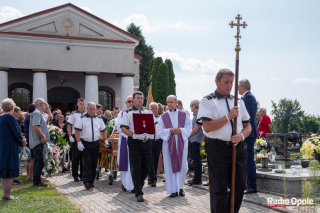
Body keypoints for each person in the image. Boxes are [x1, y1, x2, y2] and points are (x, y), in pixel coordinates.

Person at [197, 69, 251, 213]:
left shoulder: (239, 101)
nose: (229, 86)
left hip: (238, 147)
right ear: (217, 81)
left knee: (240, 186)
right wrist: (228, 116)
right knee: (219, 189)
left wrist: (242, 136)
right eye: (226, 82)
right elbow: (207, 127)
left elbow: (248, 126)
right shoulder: (207, 101)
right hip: (217, 148)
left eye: (231, 83)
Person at [121, 91, 155, 202]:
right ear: (134, 100)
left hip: (147, 143)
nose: (140, 99)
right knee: (136, 167)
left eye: (142, 97)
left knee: (147, 167)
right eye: (138, 98)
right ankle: (139, 192)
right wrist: (134, 135)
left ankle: (138, 184)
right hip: (134, 143)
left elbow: (153, 126)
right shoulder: (128, 112)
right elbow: (123, 128)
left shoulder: (148, 112)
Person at [157, 95, 192, 198]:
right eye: (167, 102)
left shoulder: (184, 115)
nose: (169, 104)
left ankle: (180, 187)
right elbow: (159, 130)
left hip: (181, 143)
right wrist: (170, 131)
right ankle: (173, 190)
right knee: (169, 166)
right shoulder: (163, 117)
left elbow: (189, 128)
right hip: (169, 145)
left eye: (171, 102)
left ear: (176, 102)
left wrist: (181, 130)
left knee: (183, 166)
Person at [74, 102, 109, 189]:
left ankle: (91, 181)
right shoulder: (82, 118)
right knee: (87, 163)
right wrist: (78, 142)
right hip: (86, 143)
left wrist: (106, 140)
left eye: (94, 109)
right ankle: (86, 181)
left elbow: (103, 130)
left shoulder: (99, 119)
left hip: (96, 143)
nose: (93, 111)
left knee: (94, 163)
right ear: (87, 109)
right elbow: (77, 131)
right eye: (91, 109)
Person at [0, 98, 27, 200]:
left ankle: (5, 194)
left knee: (4, 170)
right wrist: (22, 140)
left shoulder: (1, 117)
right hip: (10, 146)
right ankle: (7, 195)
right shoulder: (9, 117)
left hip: (2, 146)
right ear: (11, 108)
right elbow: (16, 131)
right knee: (9, 169)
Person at [239, 79, 258, 194]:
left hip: (249, 133)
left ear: (243, 87)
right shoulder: (246, 97)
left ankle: (252, 185)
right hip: (247, 133)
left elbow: (248, 116)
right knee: (246, 159)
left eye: (238, 87)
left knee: (249, 159)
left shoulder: (248, 97)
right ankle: (247, 183)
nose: (237, 89)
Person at [29, 98, 51, 187]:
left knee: (38, 161)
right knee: (39, 161)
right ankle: (36, 182)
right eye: (45, 105)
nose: (46, 106)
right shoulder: (37, 113)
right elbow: (35, 126)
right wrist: (42, 136)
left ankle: (36, 180)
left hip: (37, 141)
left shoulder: (38, 113)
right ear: (41, 104)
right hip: (37, 141)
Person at [115, 96, 134, 191]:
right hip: (125, 141)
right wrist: (129, 135)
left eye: (132, 101)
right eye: (129, 101)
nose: (131, 103)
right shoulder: (122, 113)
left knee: (134, 163)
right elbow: (119, 127)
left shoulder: (138, 113)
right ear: (126, 103)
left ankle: (134, 184)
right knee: (126, 162)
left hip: (136, 142)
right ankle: (125, 183)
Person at [67, 98, 86, 182]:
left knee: (83, 157)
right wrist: (70, 136)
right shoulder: (74, 114)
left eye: (83, 104)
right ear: (77, 104)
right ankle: (75, 174)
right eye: (80, 103)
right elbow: (69, 126)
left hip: (84, 137)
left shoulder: (86, 114)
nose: (82, 105)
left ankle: (82, 174)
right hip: (75, 137)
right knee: (76, 157)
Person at [187, 99, 204, 186]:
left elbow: (195, 130)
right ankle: (196, 178)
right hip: (194, 140)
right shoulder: (196, 115)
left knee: (197, 160)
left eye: (191, 105)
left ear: (194, 106)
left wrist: (187, 136)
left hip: (196, 140)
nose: (190, 107)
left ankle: (197, 179)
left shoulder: (198, 115)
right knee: (195, 159)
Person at [148, 102, 163, 187]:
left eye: (156, 108)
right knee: (150, 159)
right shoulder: (147, 118)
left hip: (158, 141)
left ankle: (151, 177)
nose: (155, 110)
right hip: (149, 141)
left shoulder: (160, 118)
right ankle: (153, 179)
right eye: (153, 108)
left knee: (156, 159)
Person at [24, 103, 36, 181]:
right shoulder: (32, 117)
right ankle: (31, 176)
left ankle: (28, 175)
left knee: (28, 158)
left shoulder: (26, 117)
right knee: (32, 158)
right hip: (31, 137)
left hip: (26, 136)